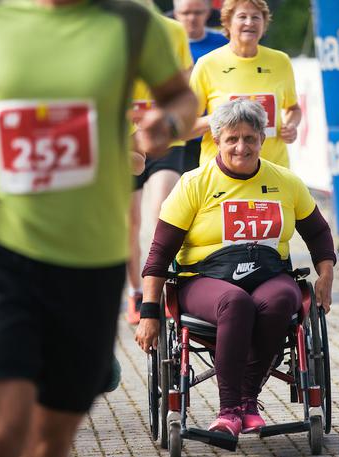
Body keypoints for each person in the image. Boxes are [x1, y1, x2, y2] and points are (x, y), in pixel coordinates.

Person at [0, 0, 198, 456]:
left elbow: (182, 95)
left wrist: (169, 121)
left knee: (52, 438)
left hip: (89, 254)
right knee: (1, 429)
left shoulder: (133, 20)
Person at [135, 98, 336, 437]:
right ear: (216, 139)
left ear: (261, 139)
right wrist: (149, 311)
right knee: (236, 303)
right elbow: (159, 252)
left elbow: (317, 232)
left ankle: (248, 401)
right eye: (232, 138)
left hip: (269, 272)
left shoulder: (285, 181)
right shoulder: (194, 183)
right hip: (205, 278)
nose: (241, 147)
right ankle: (230, 410)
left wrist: (326, 276)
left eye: (249, 138)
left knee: (279, 301)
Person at [126, 7, 194, 325]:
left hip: (163, 138)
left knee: (161, 209)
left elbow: (186, 94)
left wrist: (170, 120)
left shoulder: (170, 30)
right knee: (131, 221)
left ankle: (163, 285)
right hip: (121, 141)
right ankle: (135, 292)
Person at [187, 0, 301, 169]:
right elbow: (186, 128)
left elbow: (293, 109)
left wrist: (291, 126)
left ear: (264, 23)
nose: (249, 22)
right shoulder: (208, 64)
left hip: (273, 169)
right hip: (221, 173)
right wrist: (220, 118)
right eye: (242, 17)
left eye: (256, 17)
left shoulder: (281, 61)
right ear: (228, 23)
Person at [173, 0, 228, 173]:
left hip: (213, 132)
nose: (192, 18)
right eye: (185, 13)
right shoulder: (164, 43)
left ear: (208, 13)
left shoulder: (223, 43)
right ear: (175, 14)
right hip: (176, 131)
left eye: (198, 12)